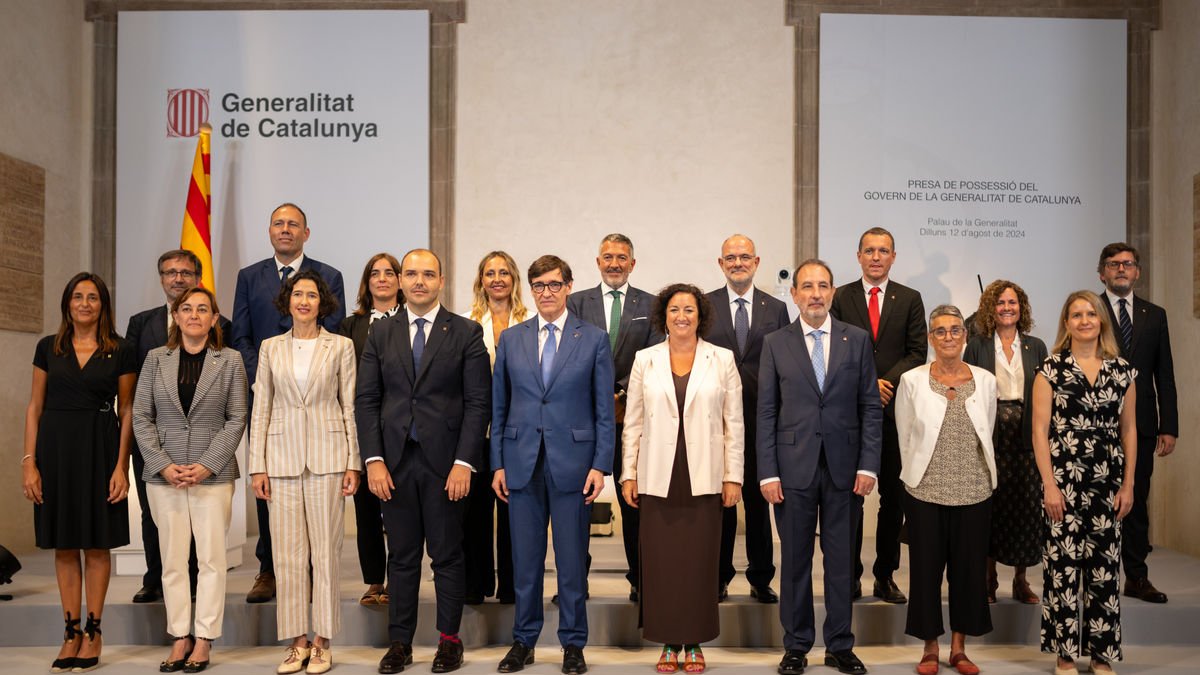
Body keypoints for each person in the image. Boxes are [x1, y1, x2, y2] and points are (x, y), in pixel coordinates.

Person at [357, 249, 491, 675]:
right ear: (400, 280)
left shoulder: (466, 332)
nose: (418, 281)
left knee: (448, 555)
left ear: (441, 279)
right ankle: (400, 643)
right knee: (401, 556)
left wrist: (464, 463)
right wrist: (373, 460)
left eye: (427, 274)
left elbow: (477, 404)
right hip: (393, 464)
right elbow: (367, 400)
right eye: (410, 273)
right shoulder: (381, 333)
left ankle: (449, 643)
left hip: (445, 464)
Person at [491, 255, 615, 675]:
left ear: (568, 286)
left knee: (571, 561)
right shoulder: (511, 338)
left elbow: (603, 409)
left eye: (554, 285)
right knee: (524, 563)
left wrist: (601, 464)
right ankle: (523, 642)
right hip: (520, 462)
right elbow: (499, 405)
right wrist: (497, 464)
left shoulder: (594, 338)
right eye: (538, 285)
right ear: (531, 290)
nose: (546, 292)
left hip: (574, 465)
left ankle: (573, 644)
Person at [759, 260, 880, 675]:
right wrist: (768, 472)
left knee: (841, 561)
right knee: (794, 562)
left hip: (846, 470)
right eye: (807, 286)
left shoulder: (857, 340)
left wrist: (869, 465)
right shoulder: (776, 342)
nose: (815, 293)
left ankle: (840, 645)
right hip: (791, 470)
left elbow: (869, 407)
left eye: (823, 286)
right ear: (794, 294)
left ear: (832, 293)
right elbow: (766, 412)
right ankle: (795, 646)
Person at [620, 284, 744, 674]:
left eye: (689, 309)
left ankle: (694, 642)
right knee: (662, 564)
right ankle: (668, 642)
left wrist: (733, 476)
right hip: (657, 475)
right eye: (675, 310)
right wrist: (628, 473)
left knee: (698, 563)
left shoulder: (721, 359)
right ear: (664, 315)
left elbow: (734, 423)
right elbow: (633, 423)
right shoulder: (645, 359)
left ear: (700, 315)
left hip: (704, 475)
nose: (682, 316)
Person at [247, 270, 360, 675]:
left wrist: (354, 462)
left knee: (326, 554)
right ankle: (296, 642)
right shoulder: (270, 347)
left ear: (322, 302)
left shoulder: (341, 346)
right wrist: (256, 465)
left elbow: (349, 405)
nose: (305, 301)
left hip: (329, 459)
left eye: (312, 295)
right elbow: (261, 408)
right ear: (287, 300)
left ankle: (323, 641)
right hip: (280, 460)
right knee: (288, 556)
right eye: (298, 294)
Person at [233, 202, 346, 604]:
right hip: (270, 400)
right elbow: (241, 336)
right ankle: (270, 569)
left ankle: (315, 570)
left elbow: (334, 334)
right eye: (278, 224)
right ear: (269, 231)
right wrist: (264, 377)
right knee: (270, 488)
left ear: (305, 233)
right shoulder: (249, 277)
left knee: (318, 497)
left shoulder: (330, 276)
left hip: (316, 403)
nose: (285, 230)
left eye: (293, 224)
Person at [21, 272, 135, 673]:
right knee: (65, 544)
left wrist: (121, 467)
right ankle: (69, 631)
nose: (85, 303)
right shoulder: (47, 348)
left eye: (93, 297)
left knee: (97, 544)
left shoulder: (121, 349)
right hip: (55, 452)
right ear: (67, 303)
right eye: (77, 297)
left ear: (103, 304)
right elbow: (34, 407)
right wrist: (29, 462)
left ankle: (94, 629)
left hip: (100, 449)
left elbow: (127, 410)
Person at [132, 286, 248, 673]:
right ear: (176, 317)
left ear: (215, 319)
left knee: (212, 559)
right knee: (172, 560)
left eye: (203, 309)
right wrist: (163, 463)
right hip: (163, 476)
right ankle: (179, 635)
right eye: (187, 309)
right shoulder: (154, 359)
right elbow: (141, 417)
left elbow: (236, 418)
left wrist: (208, 463)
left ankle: (204, 639)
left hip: (211, 476)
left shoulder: (229, 360)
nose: (194, 315)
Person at [1033, 291, 1137, 675]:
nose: (1084, 320)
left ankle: (1100, 653)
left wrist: (1128, 485)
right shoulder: (1050, 369)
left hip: (1108, 483)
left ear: (1101, 321)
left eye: (1091, 313)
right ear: (1066, 323)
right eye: (1076, 314)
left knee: (1104, 571)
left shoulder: (1121, 371)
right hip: (1064, 483)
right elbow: (1039, 433)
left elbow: (1130, 432)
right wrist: (1049, 484)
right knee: (1062, 568)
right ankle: (1064, 653)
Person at [126, 249, 232, 604]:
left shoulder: (224, 328)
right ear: (161, 279)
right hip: (156, 443)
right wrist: (157, 454)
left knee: (203, 536)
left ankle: (194, 584)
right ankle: (155, 577)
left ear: (197, 278)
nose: (177, 278)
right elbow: (136, 391)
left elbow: (230, 403)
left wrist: (207, 460)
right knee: (152, 515)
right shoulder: (141, 324)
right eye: (170, 272)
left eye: (185, 272)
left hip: (205, 449)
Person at [896, 305, 997, 675]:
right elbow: (905, 436)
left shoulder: (985, 380)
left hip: (974, 490)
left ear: (966, 336)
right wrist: (913, 480)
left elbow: (987, 432)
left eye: (956, 330)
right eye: (940, 331)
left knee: (968, 572)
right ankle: (929, 648)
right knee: (925, 571)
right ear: (931, 338)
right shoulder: (911, 380)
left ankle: (959, 648)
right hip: (925, 490)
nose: (949, 337)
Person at [830, 226, 926, 603]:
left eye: (883, 250)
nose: (875, 256)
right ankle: (850, 575)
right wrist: (868, 386)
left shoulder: (910, 299)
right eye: (869, 250)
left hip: (893, 416)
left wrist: (884, 382)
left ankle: (885, 575)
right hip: (849, 416)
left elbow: (917, 352)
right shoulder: (841, 297)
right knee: (850, 499)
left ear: (893, 257)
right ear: (858, 257)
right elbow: (834, 349)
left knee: (893, 500)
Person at [566, 233, 660, 602]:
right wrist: (596, 392)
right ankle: (576, 582)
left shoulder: (651, 305)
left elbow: (651, 356)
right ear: (598, 261)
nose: (615, 263)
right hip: (582, 421)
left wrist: (618, 390)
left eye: (622, 257)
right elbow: (569, 353)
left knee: (634, 503)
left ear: (632, 264)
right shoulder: (575, 303)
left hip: (630, 419)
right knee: (577, 505)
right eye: (608, 257)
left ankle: (642, 581)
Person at [705, 234, 789, 603]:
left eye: (744, 257)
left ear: (756, 263)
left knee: (758, 503)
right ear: (721, 264)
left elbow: (785, 363)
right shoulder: (704, 305)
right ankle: (719, 576)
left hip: (760, 419)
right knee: (721, 502)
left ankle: (760, 577)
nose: (738, 263)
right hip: (715, 422)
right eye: (730, 258)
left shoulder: (776, 308)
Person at [1096, 243, 1177, 604]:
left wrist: (1169, 425)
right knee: (1097, 502)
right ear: (1103, 273)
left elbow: (1166, 374)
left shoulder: (1154, 315)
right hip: (1095, 423)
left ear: (1137, 272)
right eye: (1114, 265)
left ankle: (1137, 576)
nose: (1122, 269)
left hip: (1143, 424)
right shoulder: (1089, 310)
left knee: (1136, 501)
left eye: (1128, 264)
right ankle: (1099, 576)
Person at [963, 280, 1048, 605]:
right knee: (992, 509)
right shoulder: (979, 345)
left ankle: (1021, 580)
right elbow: (970, 390)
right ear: (990, 309)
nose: (1007, 308)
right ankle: (989, 579)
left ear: (1021, 307)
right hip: (990, 434)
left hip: (1027, 437)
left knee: (1026, 509)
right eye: (1000, 303)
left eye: (1012, 303)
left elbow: (1044, 394)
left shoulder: (1036, 346)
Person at [464, 251, 529, 605]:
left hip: (518, 432)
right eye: (490, 273)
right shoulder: (465, 323)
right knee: (475, 513)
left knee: (512, 513)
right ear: (481, 280)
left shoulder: (531, 322)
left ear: (514, 279)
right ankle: (475, 584)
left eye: (504, 272)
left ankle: (510, 587)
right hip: (478, 432)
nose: (498, 279)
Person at [339, 252, 403, 607]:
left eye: (389, 272)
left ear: (399, 279)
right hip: (362, 426)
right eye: (374, 273)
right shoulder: (350, 327)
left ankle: (399, 577)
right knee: (366, 509)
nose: (382, 278)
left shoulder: (413, 320)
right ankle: (374, 580)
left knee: (399, 509)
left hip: (401, 428)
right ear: (367, 282)